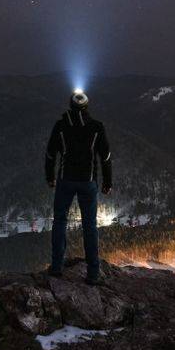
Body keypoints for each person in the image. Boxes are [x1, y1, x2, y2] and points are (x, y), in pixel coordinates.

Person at [44, 89, 113, 285]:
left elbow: (50, 154)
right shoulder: (97, 127)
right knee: (89, 226)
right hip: (88, 182)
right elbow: (105, 157)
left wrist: (50, 177)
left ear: (70, 105)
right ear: (86, 107)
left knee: (60, 222)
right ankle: (92, 273)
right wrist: (108, 183)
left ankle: (56, 267)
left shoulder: (60, 126)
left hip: (65, 181)